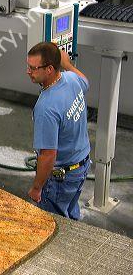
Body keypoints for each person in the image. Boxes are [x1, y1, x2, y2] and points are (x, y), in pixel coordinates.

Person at [26, 42, 91, 220]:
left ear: (49, 69)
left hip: (62, 177)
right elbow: (85, 82)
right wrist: (68, 65)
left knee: (52, 224)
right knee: (70, 214)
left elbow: (48, 155)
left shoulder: (46, 107)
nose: (28, 72)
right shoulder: (71, 78)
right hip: (82, 167)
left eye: (33, 68)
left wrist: (37, 188)